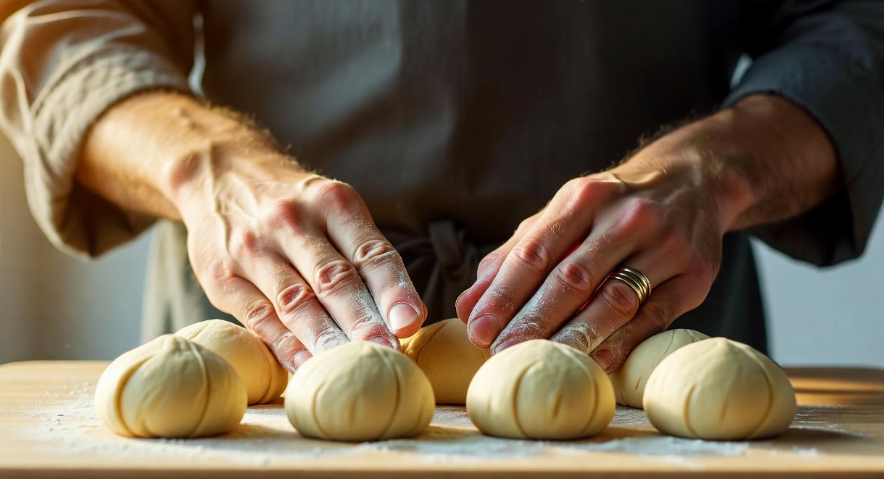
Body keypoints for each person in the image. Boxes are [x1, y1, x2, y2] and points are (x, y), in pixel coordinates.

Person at [1, 1, 882, 374]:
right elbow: (70, 25)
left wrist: (710, 170)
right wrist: (208, 169)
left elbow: (854, 28)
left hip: (641, 338)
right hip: (268, 341)